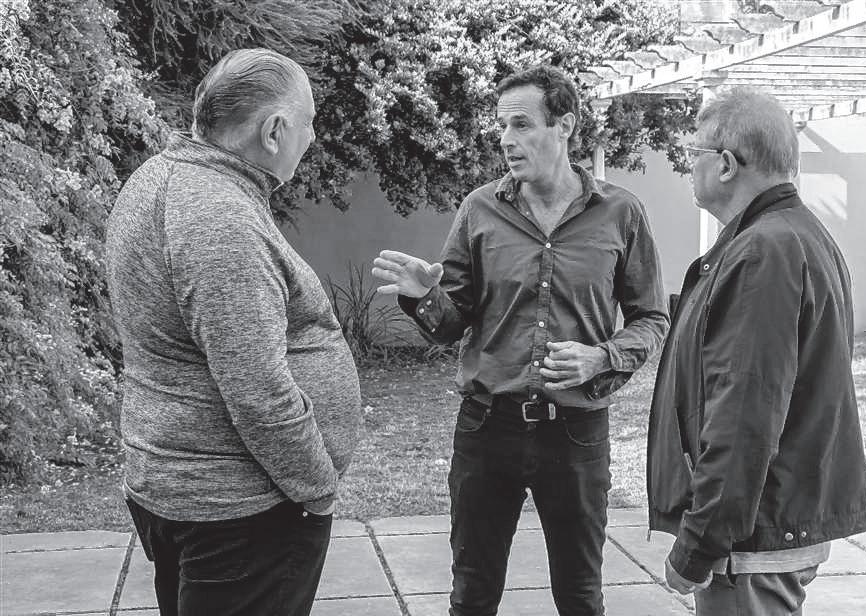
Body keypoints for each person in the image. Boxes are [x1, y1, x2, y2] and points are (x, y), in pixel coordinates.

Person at [372, 65, 668, 616]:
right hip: (487, 427)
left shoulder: (621, 213)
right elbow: (451, 324)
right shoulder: (480, 209)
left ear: (565, 126)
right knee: (472, 594)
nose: (506, 139)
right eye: (502, 126)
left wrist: (601, 358)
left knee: (580, 596)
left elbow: (651, 318)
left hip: (576, 432)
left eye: (521, 125)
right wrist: (423, 297)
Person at [105, 48, 361, 616]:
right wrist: (316, 489)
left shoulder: (159, 178)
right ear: (274, 131)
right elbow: (257, 389)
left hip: (186, 487)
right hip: (240, 511)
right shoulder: (220, 217)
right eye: (309, 122)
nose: (313, 137)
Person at [647, 87, 866, 614]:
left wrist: (700, 544)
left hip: (751, 540)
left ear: (726, 165)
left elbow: (745, 413)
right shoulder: (793, 234)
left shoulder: (763, 250)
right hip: (765, 523)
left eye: (694, 153)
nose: (689, 167)